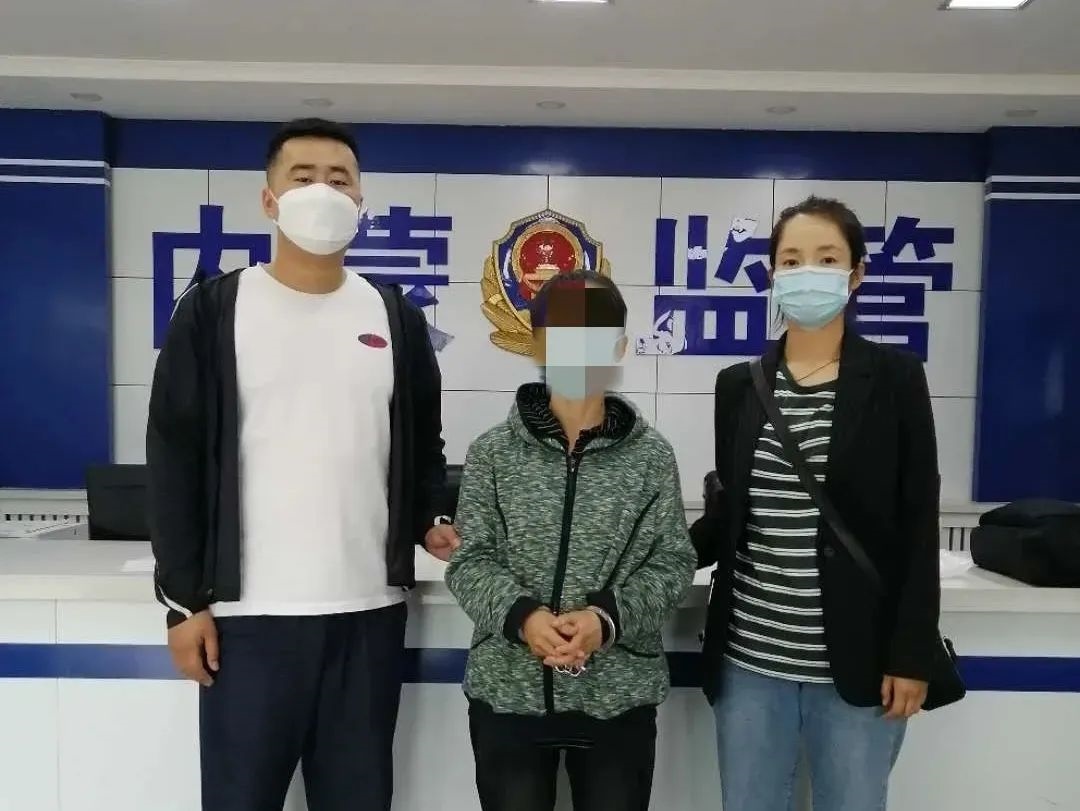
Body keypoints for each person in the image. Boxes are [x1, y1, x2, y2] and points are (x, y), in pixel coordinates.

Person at [146, 117, 458, 811]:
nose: (323, 191)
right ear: (269, 200)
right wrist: (182, 604)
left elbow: (422, 442)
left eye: (340, 179)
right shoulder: (213, 312)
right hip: (246, 621)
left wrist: (428, 515)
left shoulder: (394, 316)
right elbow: (173, 458)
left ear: (361, 202)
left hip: (368, 616)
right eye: (304, 177)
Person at [691, 196, 941, 811]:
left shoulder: (896, 378)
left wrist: (911, 653)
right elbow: (731, 514)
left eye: (827, 259)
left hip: (860, 660)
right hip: (750, 657)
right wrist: (640, 555)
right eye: (792, 259)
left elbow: (917, 522)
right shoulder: (738, 386)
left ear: (856, 275)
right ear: (773, 275)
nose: (809, 272)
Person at [445, 270, 697, 811]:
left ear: (619, 347)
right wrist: (524, 618)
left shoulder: (652, 457)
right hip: (509, 693)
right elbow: (470, 561)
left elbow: (672, 562)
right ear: (536, 343)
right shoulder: (492, 453)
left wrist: (605, 619)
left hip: (618, 696)